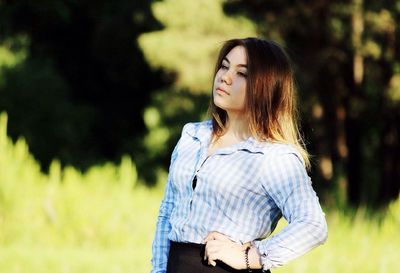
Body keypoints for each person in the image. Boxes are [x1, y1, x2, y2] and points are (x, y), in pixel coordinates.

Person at [150, 37, 328, 273]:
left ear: (266, 86)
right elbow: (168, 211)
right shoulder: (192, 136)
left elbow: (313, 225)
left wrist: (250, 257)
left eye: (242, 73)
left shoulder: (273, 156)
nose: (225, 77)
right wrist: (159, 270)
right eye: (224, 66)